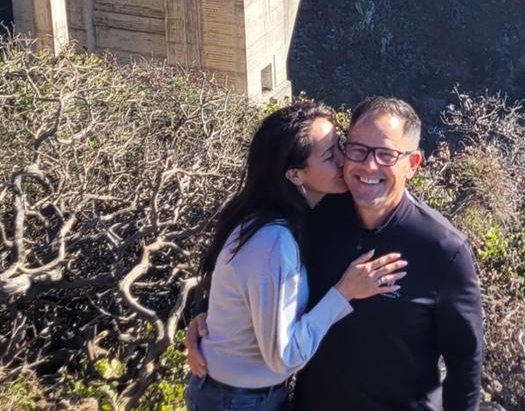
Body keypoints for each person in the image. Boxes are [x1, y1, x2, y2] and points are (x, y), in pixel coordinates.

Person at [188, 96, 484, 411]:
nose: (368, 165)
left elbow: (465, 361)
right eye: (357, 149)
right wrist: (210, 320)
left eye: (386, 154)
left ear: (412, 164)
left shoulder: (442, 248)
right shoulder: (314, 215)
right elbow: (253, 274)